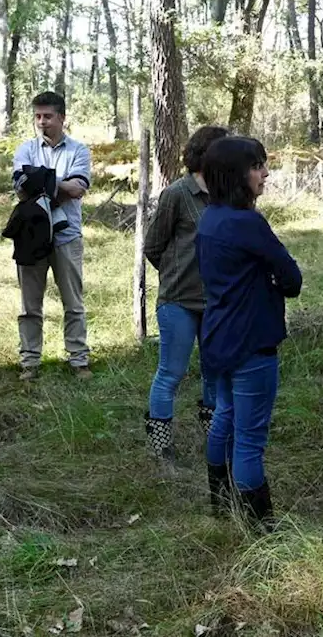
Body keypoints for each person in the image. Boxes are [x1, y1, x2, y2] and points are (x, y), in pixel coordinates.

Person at [197, 137, 302, 529]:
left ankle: (221, 506)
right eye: (258, 166)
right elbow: (291, 278)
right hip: (251, 342)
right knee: (250, 439)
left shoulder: (210, 217)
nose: (266, 173)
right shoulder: (247, 223)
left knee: (225, 414)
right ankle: (261, 531)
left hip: (219, 336)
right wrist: (273, 282)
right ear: (237, 175)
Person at [143, 125, 229, 462]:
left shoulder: (228, 193)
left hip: (218, 302)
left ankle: (214, 444)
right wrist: (176, 276)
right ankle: (161, 447)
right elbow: (154, 246)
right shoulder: (178, 193)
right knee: (171, 372)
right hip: (178, 301)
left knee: (214, 373)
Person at [12, 91, 93, 380]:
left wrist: (42, 179)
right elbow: (21, 187)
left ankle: (78, 359)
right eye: (37, 116)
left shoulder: (79, 151)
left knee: (73, 300)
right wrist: (57, 182)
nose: (42, 122)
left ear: (61, 117)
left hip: (66, 235)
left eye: (47, 116)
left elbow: (78, 189)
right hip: (31, 235)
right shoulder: (25, 150)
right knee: (29, 303)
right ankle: (30, 362)